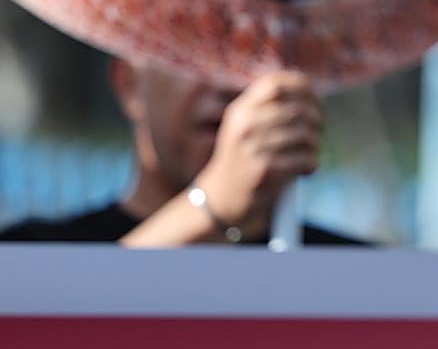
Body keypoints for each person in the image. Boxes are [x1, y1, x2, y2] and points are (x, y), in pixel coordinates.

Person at [0, 61, 362, 246]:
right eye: (193, 54)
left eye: (250, 53)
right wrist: (214, 207)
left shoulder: (362, 287)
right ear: (129, 83)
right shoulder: (29, 258)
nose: (224, 84)